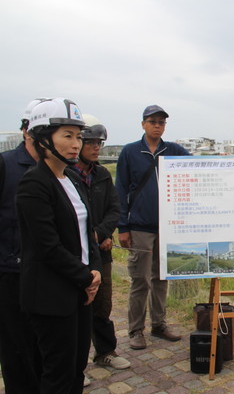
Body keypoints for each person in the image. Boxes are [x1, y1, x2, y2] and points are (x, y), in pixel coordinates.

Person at [16, 98, 102, 393]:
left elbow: (86, 234)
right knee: (58, 373)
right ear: (43, 139)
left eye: (78, 136)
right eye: (67, 135)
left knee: (77, 368)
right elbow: (47, 246)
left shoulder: (72, 179)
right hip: (51, 295)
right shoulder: (33, 184)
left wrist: (95, 271)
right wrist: (86, 277)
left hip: (79, 292)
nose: (76, 143)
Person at [115, 105, 190, 349]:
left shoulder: (173, 150)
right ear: (143, 124)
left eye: (162, 122)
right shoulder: (130, 152)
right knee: (140, 280)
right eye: (153, 121)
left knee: (161, 278)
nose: (158, 125)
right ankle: (136, 329)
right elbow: (121, 189)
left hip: (167, 227)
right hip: (140, 227)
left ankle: (159, 324)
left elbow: (197, 166)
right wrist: (122, 226)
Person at [69, 114, 130, 370]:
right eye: (91, 142)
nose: (96, 147)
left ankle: (106, 351)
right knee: (75, 307)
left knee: (102, 304)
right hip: (74, 253)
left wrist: (101, 234)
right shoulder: (66, 175)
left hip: (101, 252)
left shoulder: (103, 174)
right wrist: (89, 236)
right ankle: (74, 364)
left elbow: (114, 209)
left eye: (99, 143)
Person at [0, 99, 45, 393]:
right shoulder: (5, 164)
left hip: (46, 273)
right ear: (26, 131)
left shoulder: (59, 169)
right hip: (10, 270)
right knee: (15, 346)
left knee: (44, 343)